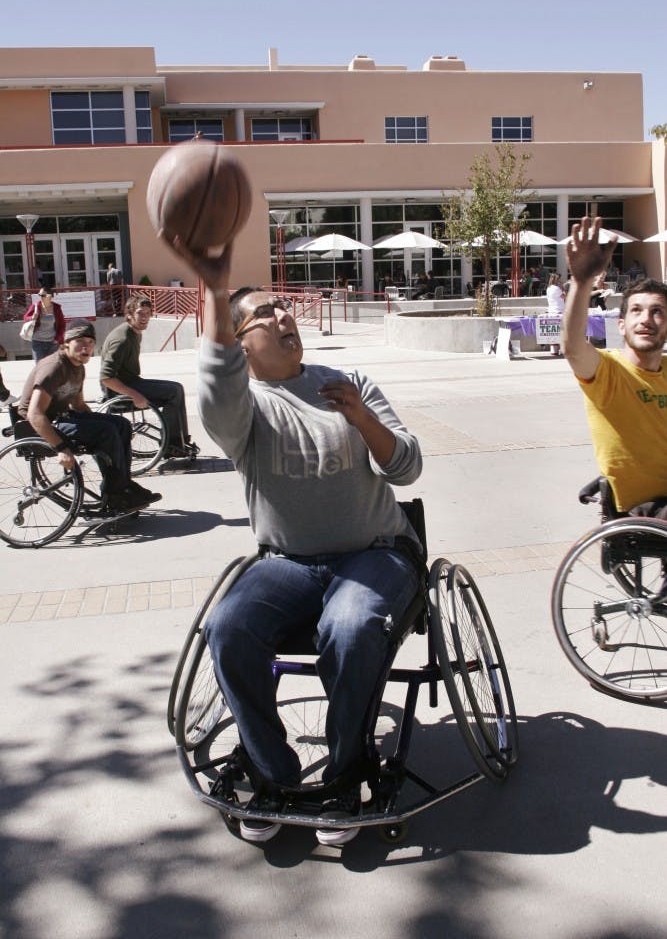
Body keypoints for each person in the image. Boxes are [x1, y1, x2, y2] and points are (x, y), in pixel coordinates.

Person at [174, 238, 423, 845]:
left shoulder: (346, 380)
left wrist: (362, 418)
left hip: (377, 551)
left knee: (352, 625)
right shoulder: (243, 410)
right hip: (287, 562)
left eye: (284, 307)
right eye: (264, 315)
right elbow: (216, 388)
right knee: (228, 627)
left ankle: (346, 771)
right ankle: (270, 770)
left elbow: (407, 468)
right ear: (239, 343)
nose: (284, 317)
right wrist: (212, 286)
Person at [561, 215, 667, 519]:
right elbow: (572, 348)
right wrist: (582, 283)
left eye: (657, 312)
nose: (646, 319)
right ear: (621, 325)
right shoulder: (608, 372)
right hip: (645, 507)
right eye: (637, 311)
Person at [16, 320, 160, 512]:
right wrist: (60, 448)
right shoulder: (54, 367)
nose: (87, 347)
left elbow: (79, 405)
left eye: (91, 343)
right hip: (40, 425)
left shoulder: (78, 367)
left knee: (121, 424)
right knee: (106, 432)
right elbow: (34, 413)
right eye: (80, 341)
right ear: (67, 342)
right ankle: (115, 494)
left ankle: (123, 484)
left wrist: (102, 422)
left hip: (63, 418)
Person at [99, 295, 198, 459]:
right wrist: (134, 395)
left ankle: (178, 441)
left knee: (177, 388)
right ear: (129, 314)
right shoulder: (122, 338)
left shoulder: (134, 332)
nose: (145, 317)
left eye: (147, 313)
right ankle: (171, 445)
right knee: (173, 392)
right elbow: (106, 377)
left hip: (131, 382)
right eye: (140, 313)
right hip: (120, 391)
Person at [23, 286, 65, 362]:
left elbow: (62, 325)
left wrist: (57, 339)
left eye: (43, 295)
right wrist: (32, 317)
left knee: (52, 366)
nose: (41, 297)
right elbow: (26, 317)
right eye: (40, 295)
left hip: (52, 343)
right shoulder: (35, 306)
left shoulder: (56, 308)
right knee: (40, 366)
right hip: (38, 342)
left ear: (50, 296)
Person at [545, 272, 566, 356]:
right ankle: (562, 348)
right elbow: (564, 296)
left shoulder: (549, 288)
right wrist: (563, 288)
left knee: (554, 332)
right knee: (562, 331)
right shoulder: (557, 289)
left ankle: (554, 350)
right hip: (559, 311)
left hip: (552, 311)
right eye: (559, 279)